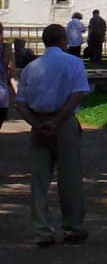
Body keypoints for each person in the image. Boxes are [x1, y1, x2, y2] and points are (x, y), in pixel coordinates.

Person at [14, 23, 90, 246]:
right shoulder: (73, 63)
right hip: (64, 122)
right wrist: (57, 122)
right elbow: (77, 95)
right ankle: (73, 227)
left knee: (39, 179)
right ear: (64, 40)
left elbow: (20, 104)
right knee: (70, 177)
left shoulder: (31, 67)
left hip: (38, 120)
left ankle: (43, 230)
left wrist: (37, 125)